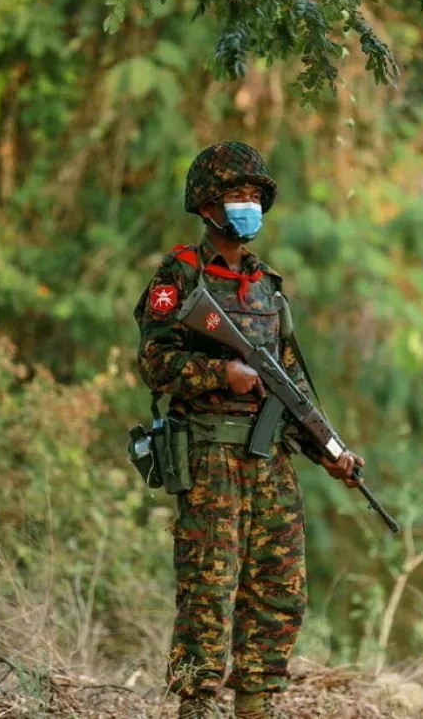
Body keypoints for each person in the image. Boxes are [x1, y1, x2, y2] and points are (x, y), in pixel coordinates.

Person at [133, 141, 364, 719]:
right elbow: (154, 361)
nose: (248, 206)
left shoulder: (267, 285)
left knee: (279, 588)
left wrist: (331, 451)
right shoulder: (178, 275)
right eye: (237, 196)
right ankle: (200, 705)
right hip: (210, 455)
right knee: (209, 591)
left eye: (255, 197)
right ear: (207, 204)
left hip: (269, 462)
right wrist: (221, 372)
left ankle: (258, 703)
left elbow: (293, 388)